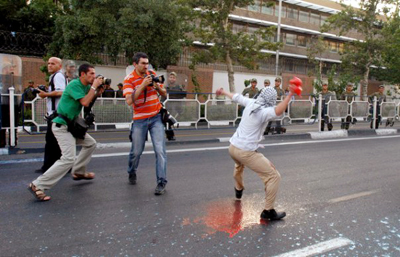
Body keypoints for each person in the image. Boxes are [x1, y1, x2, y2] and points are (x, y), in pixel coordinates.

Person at [216, 84, 297, 221]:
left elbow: (237, 97)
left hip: (233, 147)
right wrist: (290, 95)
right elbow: (278, 111)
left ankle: (238, 189)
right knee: (274, 176)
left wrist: (223, 91)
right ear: (271, 99)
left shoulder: (251, 102)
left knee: (239, 165)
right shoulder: (263, 112)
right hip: (245, 151)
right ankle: (268, 211)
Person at [28, 63, 104, 201]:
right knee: (68, 158)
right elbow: (85, 102)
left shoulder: (86, 86)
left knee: (91, 143)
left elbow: (88, 104)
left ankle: (78, 172)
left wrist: (97, 92)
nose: (94, 76)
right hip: (61, 126)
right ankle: (37, 185)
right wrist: (94, 87)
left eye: (95, 73)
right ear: (82, 74)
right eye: (91, 73)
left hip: (71, 126)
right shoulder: (75, 85)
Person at [123, 52, 168, 195]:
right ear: (135, 64)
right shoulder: (129, 80)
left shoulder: (152, 73)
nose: (146, 66)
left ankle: (161, 181)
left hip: (156, 117)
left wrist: (157, 86)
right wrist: (142, 85)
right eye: (142, 63)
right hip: (139, 119)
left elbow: (164, 94)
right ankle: (132, 171)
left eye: (147, 63)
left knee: (160, 150)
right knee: (136, 151)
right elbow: (129, 101)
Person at [35, 57, 67, 173]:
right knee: (56, 142)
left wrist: (46, 94)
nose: (49, 65)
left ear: (59, 66)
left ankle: (48, 167)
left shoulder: (58, 76)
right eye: (48, 63)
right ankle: (58, 166)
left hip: (56, 114)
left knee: (51, 141)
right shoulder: (53, 76)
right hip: (55, 114)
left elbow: (61, 92)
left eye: (52, 64)